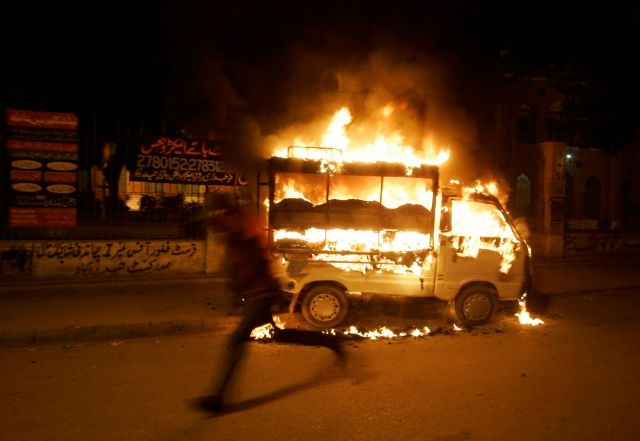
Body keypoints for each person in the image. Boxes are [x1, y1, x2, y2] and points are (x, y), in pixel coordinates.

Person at [194, 191, 346, 413]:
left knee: (237, 339)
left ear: (224, 210)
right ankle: (332, 343)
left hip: (262, 293)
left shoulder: (242, 223)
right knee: (280, 335)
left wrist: (216, 220)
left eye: (217, 211)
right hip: (257, 293)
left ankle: (218, 398)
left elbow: (242, 235)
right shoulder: (235, 225)